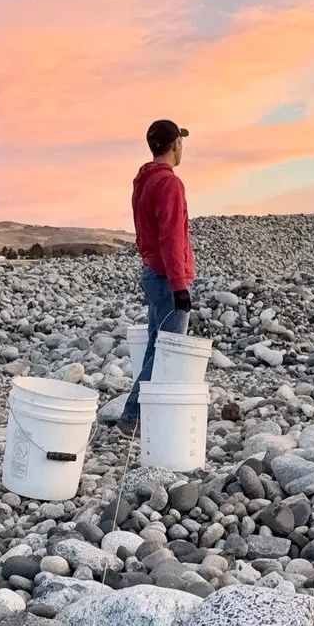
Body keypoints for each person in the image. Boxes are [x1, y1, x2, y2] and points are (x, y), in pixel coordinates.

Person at [117, 118, 195, 434]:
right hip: (166, 278)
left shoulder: (144, 182)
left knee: (155, 346)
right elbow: (171, 238)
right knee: (166, 352)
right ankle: (133, 419)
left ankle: (140, 419)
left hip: (153, 273)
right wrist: (180, 286)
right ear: (175, 144)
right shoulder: (169, 184)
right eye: (181, 142)